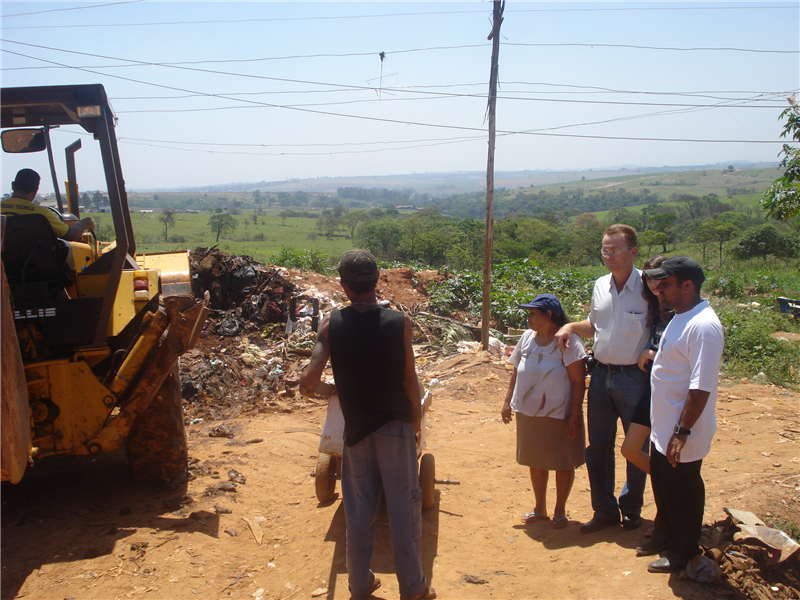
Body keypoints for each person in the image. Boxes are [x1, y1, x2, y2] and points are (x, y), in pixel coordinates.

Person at [299, 250, 435, 600]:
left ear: (344, 285)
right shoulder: (398, 323)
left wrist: (326, 387)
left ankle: (359, 586)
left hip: (356, 431)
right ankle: (413, 588)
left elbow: (309, 381)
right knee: (405, 510)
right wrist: (416, 422)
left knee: (359, 512)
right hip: (395, 426)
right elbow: (409, 380)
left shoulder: (331, 325)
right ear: (377, 281)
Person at [555, 223, 650, 534]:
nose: (609, 255)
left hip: (634, 379)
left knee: (637, 447)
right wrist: (569, 327)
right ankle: (604, 511)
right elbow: (594, 325)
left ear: (633, 252)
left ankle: (631, 509)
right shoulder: (599, 285)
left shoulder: (649, 288)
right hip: (600, 377)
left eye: (615, 249)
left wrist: (653, 350)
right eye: (605, 250)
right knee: (598, 447)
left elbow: (664, 325)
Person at [637, 256, 724, 573]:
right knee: (663, 482)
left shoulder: (704, 327)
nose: (658, 289)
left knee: (683, 488)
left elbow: (700, 388)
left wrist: (682, 431)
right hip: (665, 425)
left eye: (666, 284)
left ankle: (683, 549)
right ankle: (664, 534)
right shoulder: (681, 316)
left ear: (688, 286)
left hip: (682, 429)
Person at [501, 294, 586, 530]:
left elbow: (578, 382)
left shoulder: (568, 342)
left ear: (549, 316)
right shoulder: (527, 338)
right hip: (529, 412)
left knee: (563, 461)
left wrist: (575, 415)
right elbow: (516, 370)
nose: (528, 318)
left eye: (532, 314)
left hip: (560, 414)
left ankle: (560, 510)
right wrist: (508, 402)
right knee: (535, 460)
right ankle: (540, 508)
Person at [620, 255, 674, 475]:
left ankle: (673, 486)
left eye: (658, 276)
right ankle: (668, 482)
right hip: (651, 387)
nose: (653, 283)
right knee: (630, 449)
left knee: (665, 449)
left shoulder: (677, 309)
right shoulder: (653, 306)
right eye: (648, 277)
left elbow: (683, 355)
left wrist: (652, 354)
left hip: (670, 390)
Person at [0, 168, 94, 241]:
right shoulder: (41, 214)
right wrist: (83, 224)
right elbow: (71, 235)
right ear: (36, 191)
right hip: (31, 264)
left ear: (13, 186)